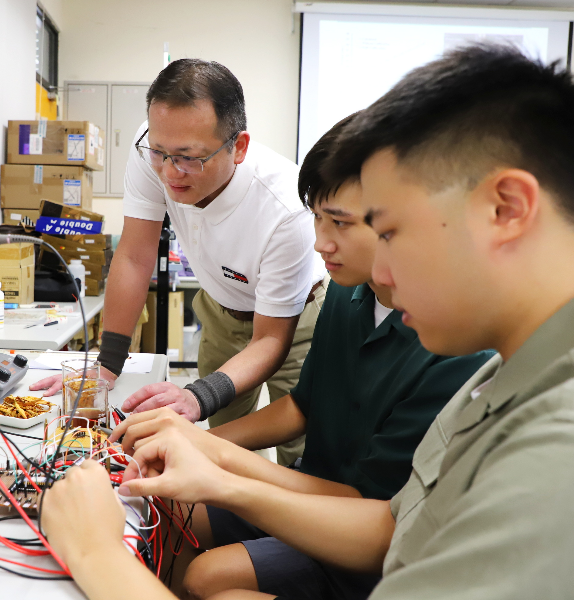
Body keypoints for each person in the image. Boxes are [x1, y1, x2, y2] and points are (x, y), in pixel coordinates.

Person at [41, 44, 574, 600]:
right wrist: (215, 457)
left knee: (210, 578)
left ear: (506, 209)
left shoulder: (550, 445)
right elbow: (395, 522)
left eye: (388, 231)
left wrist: (97, 552)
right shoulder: (499, 379)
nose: (379, 271)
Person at [104, 114, 493, 600]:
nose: (319, 243)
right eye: (317, 217)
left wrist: (215, 455)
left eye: (340, 224)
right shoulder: (347, 293)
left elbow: (373, 514)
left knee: (211, 577)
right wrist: (195, 440)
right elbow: (304, 405)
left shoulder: (454, 346)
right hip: (318, 491)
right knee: (167, 509)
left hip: (361, 533)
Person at [32, 59, 325, 466]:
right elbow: (135, 256)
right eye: (160, 154)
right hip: (223, 310)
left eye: (188, 158)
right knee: (219, 444)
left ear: (238, 147)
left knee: (304, 453)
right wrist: (106, 365)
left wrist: (196, 394)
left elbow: (271, 340)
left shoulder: (285, 209)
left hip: (296, 322)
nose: (170, 172)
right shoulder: (157, 145)